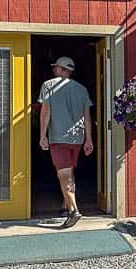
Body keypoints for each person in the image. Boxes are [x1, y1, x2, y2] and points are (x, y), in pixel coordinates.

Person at [38, 56, 94, 227]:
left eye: (56, 68)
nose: (54, 70)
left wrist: (42, 135)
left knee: (63, 174)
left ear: (62, 69)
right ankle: (65, 205)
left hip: (59, 137)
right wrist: (88, 140)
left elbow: (45, 112)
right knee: (69, 173)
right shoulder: (82, 89)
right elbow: (87, 118)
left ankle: (74, 210)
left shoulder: (48, 85)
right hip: (77, 138)